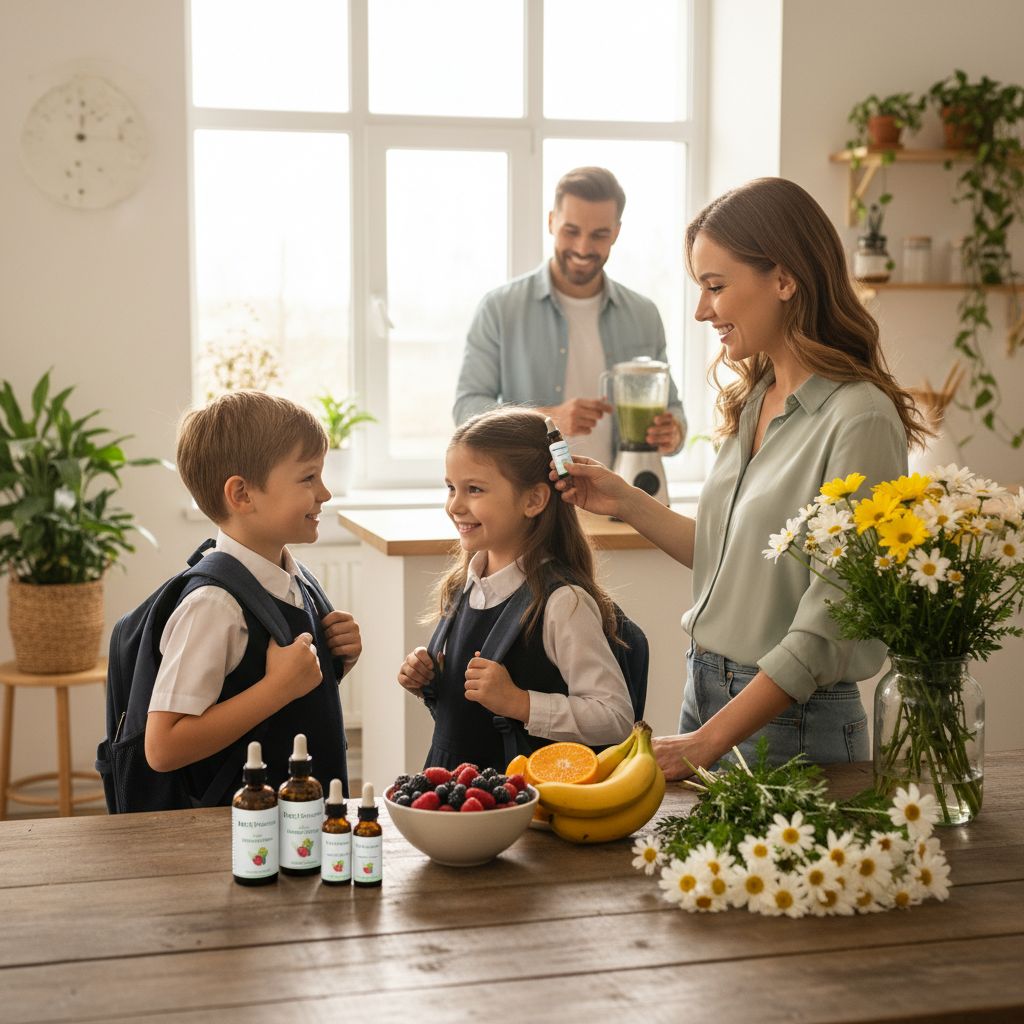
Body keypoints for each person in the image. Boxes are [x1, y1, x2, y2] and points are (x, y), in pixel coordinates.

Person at [554, 177, 929, 780]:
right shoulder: (755, 399)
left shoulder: (859, 418)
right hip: (706, 692)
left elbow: (833, 622)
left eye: (715, 286)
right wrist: (623, 501)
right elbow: (731, 558)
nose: (703, 310)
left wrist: (706, 742)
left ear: (783, 280)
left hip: (791, 722)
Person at [145, 390, 362, 798]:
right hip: (244, 840)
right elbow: (162, 746)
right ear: (242, 495)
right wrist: (277, 688)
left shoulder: (296, 580)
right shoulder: (214, 605)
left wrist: (335, 660)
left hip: (299, 823)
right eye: (308, 477)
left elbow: (285, 695)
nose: (325, 493)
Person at [397, 408, 634, 771]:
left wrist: (520, 703)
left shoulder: (563, 604)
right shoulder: (461, 588)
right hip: (455, 791)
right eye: (451, 488)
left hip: (523, 803)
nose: (455, 505)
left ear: (534, 500)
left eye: (474, 489)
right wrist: (430, 680)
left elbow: (614, 717)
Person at [453, 166, 686, 465]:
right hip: (535, 501)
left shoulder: (643, 314)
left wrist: (674, 431)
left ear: (616, 232)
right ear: (552, 222)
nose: (583, 247)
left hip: (621, 502)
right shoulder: (499, 308)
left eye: (599, 234)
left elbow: (673, 408)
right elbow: (466, 409)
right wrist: (549, 418)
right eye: (571, 231)